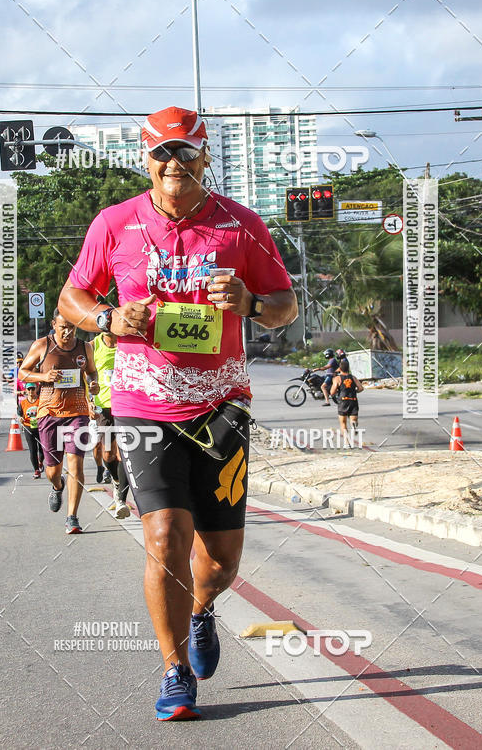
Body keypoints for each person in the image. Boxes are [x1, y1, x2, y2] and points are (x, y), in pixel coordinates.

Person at [58, 106, 297, 720]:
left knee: (220, 561)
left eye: (185, 152)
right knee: (165, 536)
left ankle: (201, 610)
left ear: (205, 157)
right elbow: (72, 297)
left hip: (222, 406)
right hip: (145, 403)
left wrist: (250, 303)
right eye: (162, 153)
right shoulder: (115, 223)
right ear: (146, 159)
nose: (173, 163)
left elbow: (285, 305)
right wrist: (108, 318)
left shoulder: (241, 225)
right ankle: (174, 671)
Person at [19, 310, 99, 534]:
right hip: (49, 413)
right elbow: (23, 372)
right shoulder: (41, 345)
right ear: (54, 324)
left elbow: (92, 372)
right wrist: (44, 377)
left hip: (77, 412)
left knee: (76, 464)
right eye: (63, 327)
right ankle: (57, 485)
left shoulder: (85, 347)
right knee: (52, 470)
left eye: (72, 327)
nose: (67, 332)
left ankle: (72, 517)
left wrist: (94, 384)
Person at [88, 331, 130, 518]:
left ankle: (121, 499)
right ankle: (116, 480)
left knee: (123, 453)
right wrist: (88, 401)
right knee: (107, 454)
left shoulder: (127, 343)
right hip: (103, 406)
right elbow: (84, 376)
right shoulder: (92, 346)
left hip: (127, 405)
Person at [330, 359, 363, 438]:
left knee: (343, 423)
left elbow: (332, 392)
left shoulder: (337, 378)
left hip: (343, 400)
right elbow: (361, 388)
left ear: (340, 369)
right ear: (348, 368)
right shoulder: (353, 377)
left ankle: (347, 441)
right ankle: (353, 424)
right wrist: (355, 391)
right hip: (353, 400)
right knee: (353, 418)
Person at [18, 383, 44, 478]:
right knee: (33, 450)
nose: (31, 391)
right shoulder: (23, 403)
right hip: (28, 427)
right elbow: (19, 414)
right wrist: (20, 418)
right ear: (26, 390)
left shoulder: (40, 401)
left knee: (42, 449)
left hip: (40, 428)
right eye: (29, 389)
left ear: (36, 389)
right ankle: (36, 470)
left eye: (32, 389)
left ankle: (40, 461)